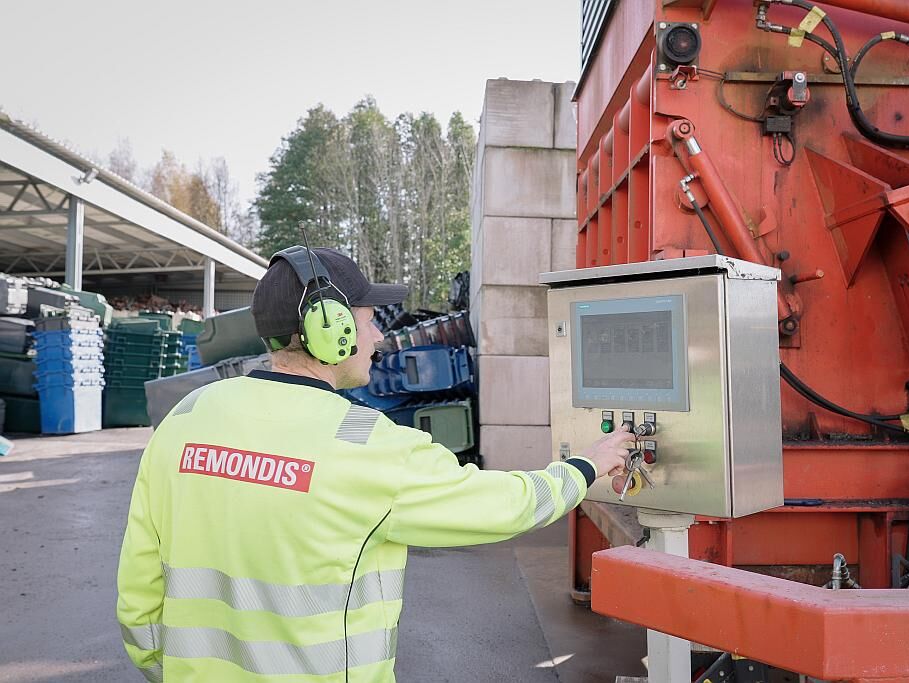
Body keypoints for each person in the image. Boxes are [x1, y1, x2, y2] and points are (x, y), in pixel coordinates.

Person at [116, 246, 633, 682]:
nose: (380, 336)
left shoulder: (186, 418)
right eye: (368, 321)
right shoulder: (365, 445)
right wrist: (584, 468)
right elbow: (504, 507)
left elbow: (139, 600)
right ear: (330, 330)